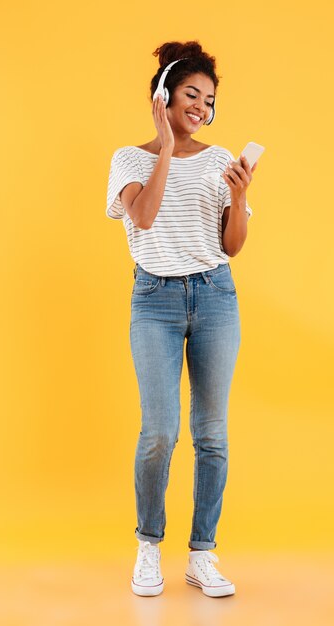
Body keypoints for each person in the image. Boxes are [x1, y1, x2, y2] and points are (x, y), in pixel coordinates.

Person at [106, 40, 258, 597]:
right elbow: (142, 218)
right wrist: (166, 148)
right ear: (163, 96)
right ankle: (149, 547)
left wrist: (239, 199)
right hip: (155, 301)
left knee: (211, 433)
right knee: (160, 431)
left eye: (210, 99)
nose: (202, 106)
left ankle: (202, 555)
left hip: (216, 297)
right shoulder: (129, 158)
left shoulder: (220, 161)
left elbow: (232, 246)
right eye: (192, 94)